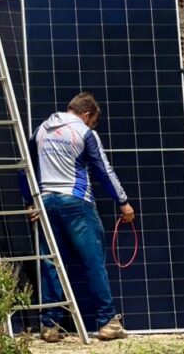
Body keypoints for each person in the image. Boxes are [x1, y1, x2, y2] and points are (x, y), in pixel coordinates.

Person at [31, 92, 135, 342]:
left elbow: (27, 168)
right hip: (76, 203)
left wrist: (30, 202)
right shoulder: (85, 133)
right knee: (93, 261)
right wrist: (123, 202)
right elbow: (103, 169)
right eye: (93, 121)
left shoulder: (41, 130)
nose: (92, 125)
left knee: (51, 263)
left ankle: (50, 325)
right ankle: (108, 322)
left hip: (45, 202)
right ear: (86, 114)